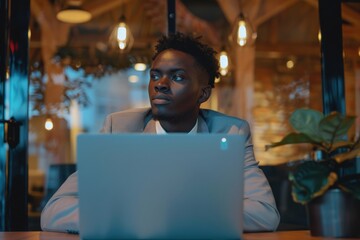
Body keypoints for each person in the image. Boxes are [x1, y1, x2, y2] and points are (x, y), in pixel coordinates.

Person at [41, 32, 280, 233]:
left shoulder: (231, 132)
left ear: (203, 94)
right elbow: (54, 211)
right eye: (155, 75)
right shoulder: (119, 129)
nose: (160, 84)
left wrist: (168, 214)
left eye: (177, 77)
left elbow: (264, 213)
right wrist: (131, 217)